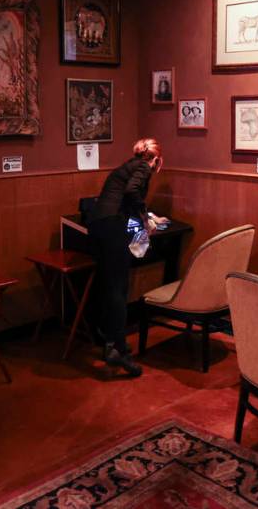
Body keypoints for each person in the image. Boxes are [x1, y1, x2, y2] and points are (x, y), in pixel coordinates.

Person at [88, 138, 168, 376]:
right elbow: (132, 191)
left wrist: (147, 217)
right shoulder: (144, 167)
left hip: (99, 224)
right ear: (155, 160)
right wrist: (146, 218)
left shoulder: (127, 165)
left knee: (107, 283)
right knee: (119, 288)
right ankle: (119, 350)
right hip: (114, 227)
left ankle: (107, 340)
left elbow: (123, 197)